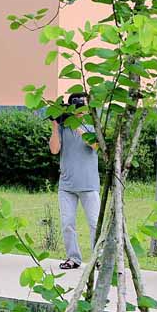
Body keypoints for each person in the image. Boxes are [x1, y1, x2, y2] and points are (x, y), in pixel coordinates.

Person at [49, 93, 100, 270]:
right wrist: (55, 125)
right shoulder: (63, 127)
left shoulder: (93, 125)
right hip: (67, 185)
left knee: (95, 223)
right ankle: (73, 258)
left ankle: (98, 258)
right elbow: (54, 150)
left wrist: (77, 125)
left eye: (83, 105)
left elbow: (95, 146)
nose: (80, 109)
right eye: (76, 105)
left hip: (89, 183)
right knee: (67, 224)